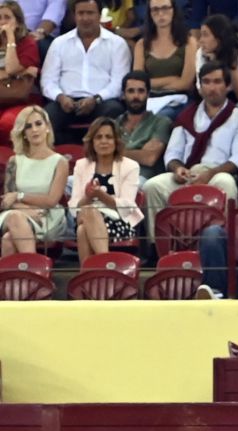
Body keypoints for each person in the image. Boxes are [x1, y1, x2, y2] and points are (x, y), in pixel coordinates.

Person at [143, 61, 238, 239]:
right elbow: (172, 153)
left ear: (228, 86)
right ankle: (159, 247)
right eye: (206, 82)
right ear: (199, 87)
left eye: (217, 82)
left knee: (226, 184)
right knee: (152, 186)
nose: (212, 87)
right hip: (188, 174)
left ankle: (222, 244)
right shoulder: (187, 116)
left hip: (218, 173)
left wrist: (210, 174)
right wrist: (177, 169)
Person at [39, 0, 131, 143]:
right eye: (81, 13)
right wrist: (60, 97)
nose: (85, 18)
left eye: (90, 13)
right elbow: (47, 81)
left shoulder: (117, 44)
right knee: (46, 117)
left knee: (114, 110)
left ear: (99, 15)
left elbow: (119, 83)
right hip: (66, 102)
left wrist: (96, 99)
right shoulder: (59, 43)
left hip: (102, 102)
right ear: (74, 16)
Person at [67, 117, 143, 261]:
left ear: (116, 141)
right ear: (92, 142)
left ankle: (95, 267)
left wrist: (101, 195)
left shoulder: (130, 166)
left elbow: (127, 206)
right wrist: (88, 196)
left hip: (119, 221)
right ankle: (104, 265)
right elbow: (73, 205)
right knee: (87, 215)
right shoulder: (81, 165)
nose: (103, 141)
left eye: (109, 137)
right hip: (86, 217)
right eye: (99, 137)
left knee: (83, 229)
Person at [0, 105, 68, 254]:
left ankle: (22, 269)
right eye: (28, 126)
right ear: (23, 133)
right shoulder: (14, 161)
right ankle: (32, 265)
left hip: (48, 216)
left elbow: (51, 200)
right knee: (15, 218)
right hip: (16, 212)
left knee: (8, 239)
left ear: (47, 127)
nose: (34, 130)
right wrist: (24, 209)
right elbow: (8, 200)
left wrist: (20, 196)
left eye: (38, 124)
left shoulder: (60, 162)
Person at [133, 0, 196, 121]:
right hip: (150, 100)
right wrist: (171, 79)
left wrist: (151, 84)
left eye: (165, 8)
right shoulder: (141, 45)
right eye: (155, 10)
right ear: (150, 13)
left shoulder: (189, 42)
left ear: (173, 10)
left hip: (179, 100)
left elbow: (186, 83)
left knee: (160, 118)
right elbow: (138, 82)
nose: (161, 14)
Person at [115, 71, 173, 181]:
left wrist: (116, 152)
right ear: (123, 95)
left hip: (142, 178)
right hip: (114, 175)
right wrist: (138, 152)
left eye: (141, 91)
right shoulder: (114, 124)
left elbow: (149, 158)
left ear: (148, 94)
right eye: (131, 91)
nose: (136, 96)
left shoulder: (160, 122)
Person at [0, 1, 41, 147]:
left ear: (18, 22)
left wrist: (10, 38)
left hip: (19, 99)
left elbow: (11, 68)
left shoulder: (28, 43)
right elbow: (12, 71)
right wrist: (13, 72)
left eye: (7, 17)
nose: (2, 22)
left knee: (7, 123)